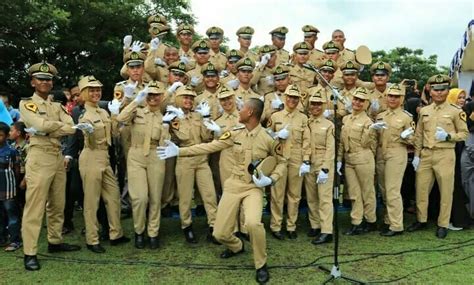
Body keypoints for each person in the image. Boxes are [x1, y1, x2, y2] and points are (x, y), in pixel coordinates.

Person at [157, 98, 287, 284]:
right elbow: (209, 146)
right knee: (219, 234)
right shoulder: (234, 133)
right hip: (233, 185)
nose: (238, 111)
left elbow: (282, 162)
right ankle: (237, 246)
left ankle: (261, 264)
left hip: (253, 187)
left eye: (242, 108)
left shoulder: (268, 138)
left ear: (250, 113)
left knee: (252, 224)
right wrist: (179, 152)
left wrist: (271, 179)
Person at [19, 62, 80, 271]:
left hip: (57, 155)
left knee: (57, 203)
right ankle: (30, 252)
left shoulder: (56, 105)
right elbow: (41, 125)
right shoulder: (26, 104)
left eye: (48, 79)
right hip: (39, 156)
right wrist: (55, 128)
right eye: (40, 79)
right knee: (35, 207)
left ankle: (55, 241)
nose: (45, 82)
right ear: (33, 82)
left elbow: (72, 127)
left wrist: (50, 129)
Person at [408, 74, 468, 239]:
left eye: (442, 90)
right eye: (436, 89)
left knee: (446, 191)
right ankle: (421, 220)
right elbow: (419, 134)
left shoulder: (456, 111)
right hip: (426, 153)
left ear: (447, 91)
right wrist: (417, 155)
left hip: (445, 153)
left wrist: (448, 136)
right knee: (421, 189)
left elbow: (464, 133)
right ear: (430, 90)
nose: (439, 93)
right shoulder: (425, 111)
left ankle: (443, 224)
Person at [76, 75, 130, 253]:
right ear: (84, 93)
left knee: (113, 197)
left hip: (105, 157)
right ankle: (92, 239)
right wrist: (90, 133)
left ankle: (116, 234)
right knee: (92, 201)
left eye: (98, 90)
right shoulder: (84, 114)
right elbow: (89, 143)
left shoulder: (103, 111)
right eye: (91, 90)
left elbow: (114, 134)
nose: (95, 93)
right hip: (91, 157)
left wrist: (115, 116)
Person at [116, 81, 170, 249]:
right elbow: (120, 118)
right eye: (150, 94)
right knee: (139, 198)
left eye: (156, 95)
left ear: (162, 97)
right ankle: (139, 231)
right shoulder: (137, 111)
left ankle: (153, 233)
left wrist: (166, 126)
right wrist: (135, 101)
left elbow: (165, 143)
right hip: (136, 154)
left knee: (155, 197)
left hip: (156, 154)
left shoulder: (164, 117)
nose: (153, 97)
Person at [168, 85, 218, 244]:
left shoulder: (198, 115)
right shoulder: (173, 117)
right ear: (178, 99)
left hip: (202, 159)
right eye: (185, 97)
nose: (188, 100)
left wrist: (206, 118)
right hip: (185, 159)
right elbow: (183, 137)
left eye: (191, 98)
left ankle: (214, 226)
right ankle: (187, 226)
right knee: (185, 196)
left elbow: (205, 136)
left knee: (209, 194)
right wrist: (181, 118)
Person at [267, 84, 310, 239]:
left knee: (295, 194)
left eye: (295, 98)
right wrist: (278, 134)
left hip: (296, 158)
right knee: (277, 194)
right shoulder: (275, 117)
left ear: (299, 99)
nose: (292, 100)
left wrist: (306, 160)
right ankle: (276, 226)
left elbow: (307, 141)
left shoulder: (303, 118)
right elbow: (267, 137)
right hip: (279, 158)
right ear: (285, 97)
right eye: (290, 97)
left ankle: (291, 226)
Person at [374, 84, 415, 236]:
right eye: (390, 96)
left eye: (396, 96)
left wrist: (406, 137)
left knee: (393, 190)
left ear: (401, 98)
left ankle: (396, 225)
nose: (392, 99)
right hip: (381, 153)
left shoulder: (406, 117)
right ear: (386, 97)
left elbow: (414, 140)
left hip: (396, 152)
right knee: (384, 190)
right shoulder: (380, 116)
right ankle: (388, 220)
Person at [337, 87, 378, 235]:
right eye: (355, 99)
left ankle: (371, 220)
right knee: (354, 193)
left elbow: (368, 144)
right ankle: (356, 222)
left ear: (367, 103)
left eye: (362, 100)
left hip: (363, 158)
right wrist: (339, 160)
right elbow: (342, 142)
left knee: (367, 191)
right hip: (349, 159)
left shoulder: (368, 121)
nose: (357, 103)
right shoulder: (346, 118)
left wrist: (370, 130)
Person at [304, 91, 335, 245]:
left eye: (318, 104)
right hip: (309, 163)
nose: (315, 106)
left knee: (324, 198)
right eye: (313, 103)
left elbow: (331, 149)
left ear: (323, 105)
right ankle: (315, 225)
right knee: (311, 197)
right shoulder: (306, 123)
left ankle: (326, 230)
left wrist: (326, 168)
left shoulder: (329, 125)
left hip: (323, 162)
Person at [0, 122, 22, 252]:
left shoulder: (12, 151)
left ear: (7, 136)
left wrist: (15, 185)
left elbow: (17, 170)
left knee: (11, 214)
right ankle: (2, 238)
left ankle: (15, 240)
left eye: (1, 135)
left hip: (8, 189)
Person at [9, 121, 28, 212]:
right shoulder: (12, 146)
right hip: (14, 175)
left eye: (11, 130)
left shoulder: (26, 147)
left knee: (23, 201)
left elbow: (29, 165)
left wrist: (24, 180)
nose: (9, 133)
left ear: (18, 133)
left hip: (23, 175)